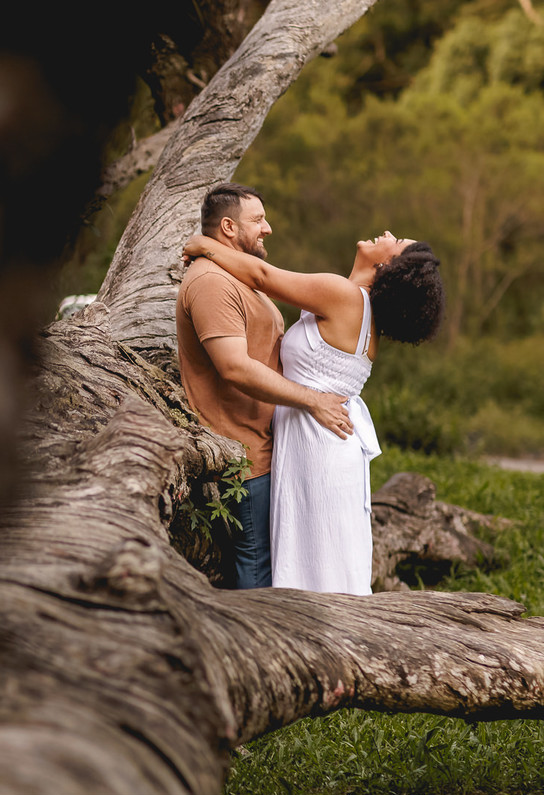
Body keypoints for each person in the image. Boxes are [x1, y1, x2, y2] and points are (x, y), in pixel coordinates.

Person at [182, 228, 445, 594]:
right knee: (323, 561)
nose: (387, 232)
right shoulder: (361, 310)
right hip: (325, 442)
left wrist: (205, 245)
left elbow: (262, 276)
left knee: (317, 565)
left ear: (388, 265)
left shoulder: (343, 296)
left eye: (396, 241)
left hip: (318, 446)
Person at [176, 183, 354, 590]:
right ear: (228, 227)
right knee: (257, 572)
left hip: (269, 449)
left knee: (280, 567)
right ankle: (249, 635)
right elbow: (235, 368)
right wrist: (314, 401)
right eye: (258, 220)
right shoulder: (212, 283)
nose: (267, 228)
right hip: (245, 457)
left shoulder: (235, 275)